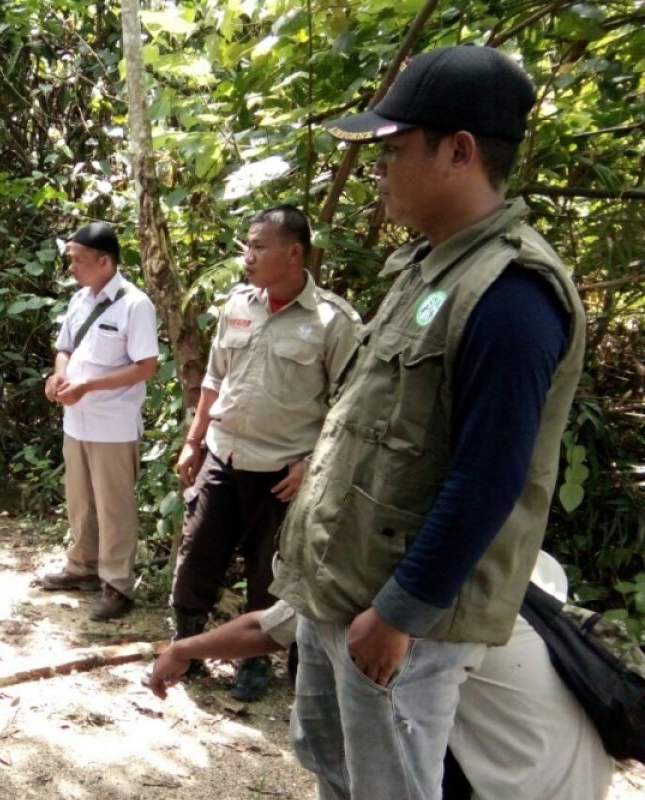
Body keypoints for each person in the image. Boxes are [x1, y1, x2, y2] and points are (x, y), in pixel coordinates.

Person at [269, 45, 586, 799]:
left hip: (397, 615)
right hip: (344, 592)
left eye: (395, 149)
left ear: (460, 152)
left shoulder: (512, 294)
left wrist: (401, 611)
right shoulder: (427, 266)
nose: (380, 168)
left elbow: (490, 474)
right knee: (336, 770)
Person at [148, 554, 614, 800]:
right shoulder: (506, 589)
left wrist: (182, 649)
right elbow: (273, 625)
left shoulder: (407, 592)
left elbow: (273, 627)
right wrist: (184, 649)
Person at [170, 205, 357, 700]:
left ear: (294, 252)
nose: (247, 257)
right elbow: (213, 381)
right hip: (223, 454)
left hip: (282, 470)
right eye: (246, 246)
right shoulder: (237, 305)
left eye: (259, 246)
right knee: (197, 553)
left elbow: (351, 405)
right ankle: (186, 642)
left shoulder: (331, 321)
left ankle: (254, 662)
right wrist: (193, 441)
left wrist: (312, 462)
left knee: (268, 570)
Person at [40, 222, 159, 621]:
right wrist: (59, 377)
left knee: (114, 506)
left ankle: (117, 584)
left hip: (114, 422)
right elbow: (64, 347)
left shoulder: (134, 304)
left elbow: (146, 366)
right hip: (77, 419)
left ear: (104, 261)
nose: (71, 267)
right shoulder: (79, 300)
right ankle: (82, 567)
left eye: (77, 260)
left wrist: (89, 384)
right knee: (80, 500)